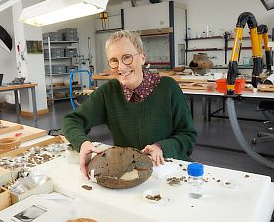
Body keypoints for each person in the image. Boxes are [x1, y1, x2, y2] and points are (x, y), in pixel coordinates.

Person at [62, 30, 196, 178]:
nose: (121, 67)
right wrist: (82, 143)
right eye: (114, 60)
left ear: (142, 58)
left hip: (167, 170)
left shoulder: (168, 88)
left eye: (127, 57)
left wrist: (161, 147)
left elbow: (188, 135)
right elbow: (71, 120)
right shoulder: (109, 92)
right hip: (129, 173)